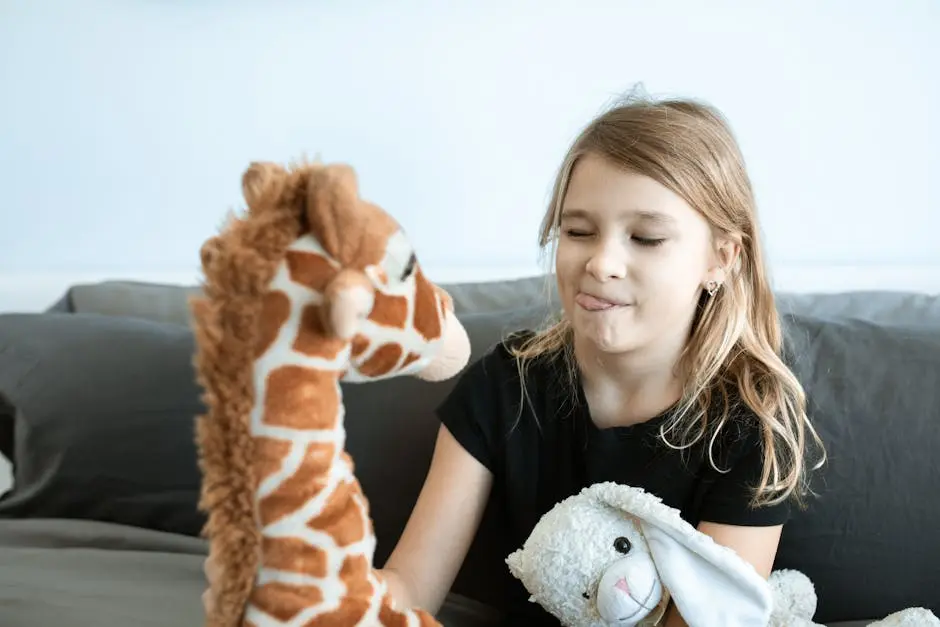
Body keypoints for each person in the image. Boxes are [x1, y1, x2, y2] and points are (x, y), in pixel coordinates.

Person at [204, 93, 825, 626]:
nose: (601, 262)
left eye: (646, 238)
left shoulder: (751, 422)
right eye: (578, 231)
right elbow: (410, 587)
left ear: (721, 257)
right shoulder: (506, 386)